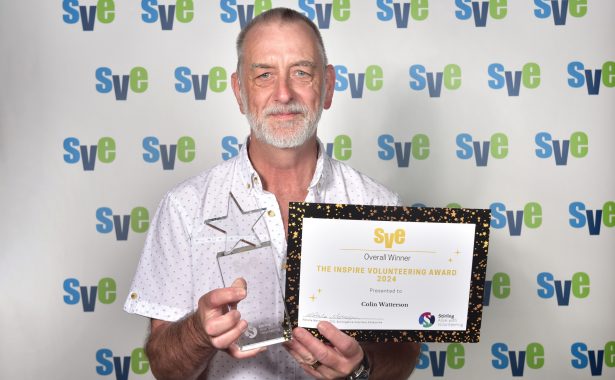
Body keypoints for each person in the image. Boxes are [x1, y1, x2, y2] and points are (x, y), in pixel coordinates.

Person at [124, 7, 419, 380]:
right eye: (264, 75)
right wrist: (199, 331)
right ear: (240, 92)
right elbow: (164, 367)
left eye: (301, 72)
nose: (283, 93)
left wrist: (360, 369)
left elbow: (403, 358)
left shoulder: (378, 206)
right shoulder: (184, 208)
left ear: (327, 86)